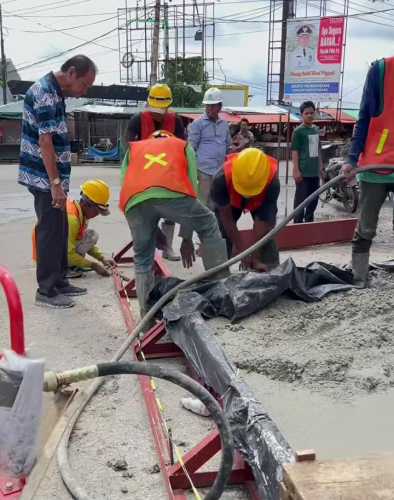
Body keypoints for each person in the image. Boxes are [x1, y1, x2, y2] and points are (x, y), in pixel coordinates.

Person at [119, 130, 228, 317]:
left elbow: (125, 184)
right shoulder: (182, 146)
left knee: (143, 256)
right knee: (208, 223)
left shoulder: (134, 149)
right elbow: (193, 190)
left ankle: (146, 315)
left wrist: (146, 225)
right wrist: (186, 237)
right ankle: (222, 292)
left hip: (134, 201)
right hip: (173, 194)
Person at [18, 55, 96, 309]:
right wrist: (54, 183)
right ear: (71, 73)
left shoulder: (56, 92)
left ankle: (60, 281)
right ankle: (47, 290)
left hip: (53, 177)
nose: (84, 90)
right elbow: (45, 141)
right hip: (43, 177)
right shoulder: (45, 93)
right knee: (50, 230)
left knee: (60, 228)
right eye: (84, 84)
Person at [342, 57, 394, 287]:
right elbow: (363, 117)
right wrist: (352, 158)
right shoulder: (382, 70)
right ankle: (359, 278)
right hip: (377, 164)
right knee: (366, 225)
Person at [127, 83, 186, 261]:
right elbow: (128, 147)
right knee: (145, 212)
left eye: (163, 108)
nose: (159, 112)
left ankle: (167, 247)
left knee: (171, 211)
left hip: (168, 173)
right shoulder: (137, 119)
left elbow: (183, 147)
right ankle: (147, 247)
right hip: (144, 174)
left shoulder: (176, 121)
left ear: (168, 105)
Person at [211, 147, 280, 272]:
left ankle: (270, 270)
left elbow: (263, 222)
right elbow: (227, 221)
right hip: (231, 201)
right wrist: (242, 251)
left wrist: (255, 256)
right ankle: (218, 271)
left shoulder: (272, 182)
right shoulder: (221, 180)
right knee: (221, 232)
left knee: (267, 235)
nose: (247, 195)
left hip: (260, 201)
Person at [188, 87, 232, 209]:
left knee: (216, 203)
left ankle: (212, 227)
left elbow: (228, 146)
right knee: (202, 204)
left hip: (219, 171)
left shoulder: (224, 125)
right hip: (203, 171)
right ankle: (200, 227)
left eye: (213, 106)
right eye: (207, 106)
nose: (209, 109)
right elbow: (191, 149)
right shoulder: (197, 124)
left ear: (220, 107)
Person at [67, 179, 114, 277]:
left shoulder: (80, 213)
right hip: (49, 256)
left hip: (60, 248)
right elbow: (68, 253)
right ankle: (64, 269)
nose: (97, 215)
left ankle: (70, 265)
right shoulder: (72, 219)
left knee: (91, 236)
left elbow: (84, 243)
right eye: (97, 211)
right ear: (87, 204)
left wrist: (102, 259)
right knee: (90, 236)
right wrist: (93, 265)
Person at [291, 101, 323, 223]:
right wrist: (296, 170)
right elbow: (295, 151)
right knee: (300, 201)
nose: (309, 115)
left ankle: (309, 222)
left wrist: (320, 166)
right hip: (303, 172)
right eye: (306, 113)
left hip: (314, 172)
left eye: (311, 113)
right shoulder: (298, 131)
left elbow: (318, 149)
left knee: (314, 199)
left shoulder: (316, 129)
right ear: (302, 115)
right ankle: (297, 224)